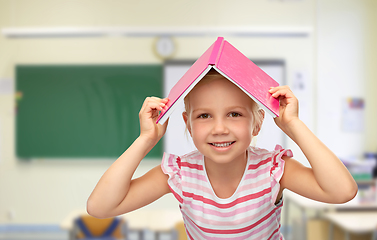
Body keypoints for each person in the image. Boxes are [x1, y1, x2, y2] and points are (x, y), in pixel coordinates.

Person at [87, 70, 358, 239]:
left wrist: (293, 125)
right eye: (204, 115)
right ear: (188, 124)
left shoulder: (272, 169)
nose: (219, 128)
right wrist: (146, 139)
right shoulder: (180, 173)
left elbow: (342, 191)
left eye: (234, 114)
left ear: (257, 122)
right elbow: (100, 207)